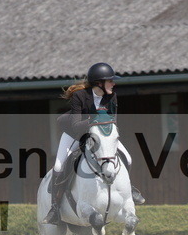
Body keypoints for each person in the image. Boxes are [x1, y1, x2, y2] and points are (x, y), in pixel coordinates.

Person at [45, 63, 141, 225]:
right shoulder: (80, 96)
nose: (113, 84)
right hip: (74, 134)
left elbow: (113, 122)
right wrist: (94, 120)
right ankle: (55, 207)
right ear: (99, 83)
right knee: (59, 166)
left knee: (129, 158)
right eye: (110, 81)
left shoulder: (112, 96)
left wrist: (102, 129)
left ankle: (129, 190)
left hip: (101, 136)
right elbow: (76, 126)